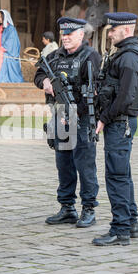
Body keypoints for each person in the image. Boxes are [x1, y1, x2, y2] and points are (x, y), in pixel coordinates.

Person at [34, 17, 101, 227]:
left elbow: (96, 91)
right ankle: (67, 207)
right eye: (63, 34)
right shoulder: (54, 56)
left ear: (81, 34)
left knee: (85, 165)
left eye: (69, 34)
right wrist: (45, 81)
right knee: (63, 164)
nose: (65, 38)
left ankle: (88, 208)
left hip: (82, 119)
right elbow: (38, 74)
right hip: (60, 118)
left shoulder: (91, 57)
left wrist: (76, 112)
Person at [92, 12, 138, 246]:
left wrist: (104, 118)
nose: (110, 33)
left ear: (125, 30)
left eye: (113, 30)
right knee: (122, 173)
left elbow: (126, 97)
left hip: (119, 122)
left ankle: (120, 229)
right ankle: (130, 222)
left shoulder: (129, 58)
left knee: (116, 176)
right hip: (119, 122)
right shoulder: (123, 55)